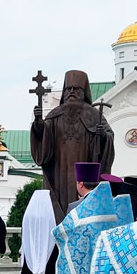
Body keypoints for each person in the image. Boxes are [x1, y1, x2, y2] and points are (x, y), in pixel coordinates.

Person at [30, 69, 115, 223]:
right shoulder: (55, 115)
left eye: (76, 89)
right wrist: (38, 124)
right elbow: (43, 138)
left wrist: (102, 136)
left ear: (84, 92)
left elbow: (109, 138)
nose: (71, 93)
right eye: (68, 89)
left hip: (84, 174)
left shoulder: (94, 115)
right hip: (59, 174)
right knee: (59, 212)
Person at [18, 189, 57, 274]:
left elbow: (24, 231)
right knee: (46, 267)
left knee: (31, 266)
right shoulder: (48, 214)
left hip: (31, 246)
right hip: (46, 248)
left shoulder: (28, 215)